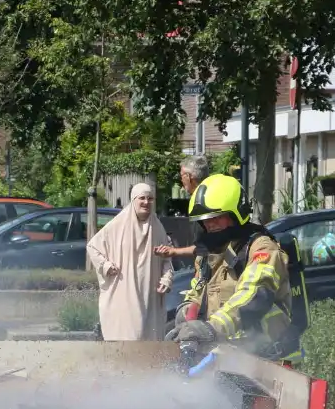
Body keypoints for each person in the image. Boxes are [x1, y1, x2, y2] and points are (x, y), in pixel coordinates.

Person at [170, 173, 299, 362]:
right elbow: (196, 294)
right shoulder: (209, 253)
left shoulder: (261, 248)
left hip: (269, 359)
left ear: (236, 213)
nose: (209, 224)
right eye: (204, 219)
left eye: (216, 217)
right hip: (228, 357)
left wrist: (211, 329)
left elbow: (253, 296)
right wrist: (185, 319)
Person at [86, 183, 174, 340]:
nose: (146, 202)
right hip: (124, 293)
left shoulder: (158, 228)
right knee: (127, 337)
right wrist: (105, 266)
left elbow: (167, 259)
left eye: (150, 199)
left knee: (148, 341)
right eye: (142, 198)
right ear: (134, 200)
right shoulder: (118, 225)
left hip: (150, 296)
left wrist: (167, 279)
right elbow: (93, 247)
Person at [155, 155, 211, 261]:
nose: (181, 180)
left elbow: (204, 247)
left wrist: (174, 251)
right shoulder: (209, 195)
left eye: (181, 176)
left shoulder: (201, 203)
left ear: (188, 177)